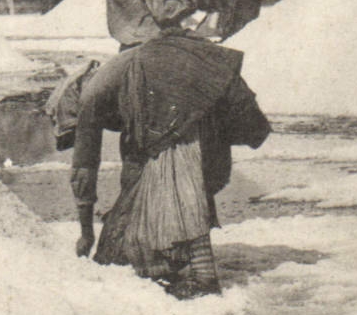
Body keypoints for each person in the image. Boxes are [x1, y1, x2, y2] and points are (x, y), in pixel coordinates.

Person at [66, 35, 271, 299]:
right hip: (199, 96)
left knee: (178, 182)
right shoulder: (117, 73)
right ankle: (168, 259)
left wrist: (85, 233)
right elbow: (134, 154)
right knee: (165, 191)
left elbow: (84, 167)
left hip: (185, 107)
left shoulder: (90, 96)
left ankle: (204, 277)